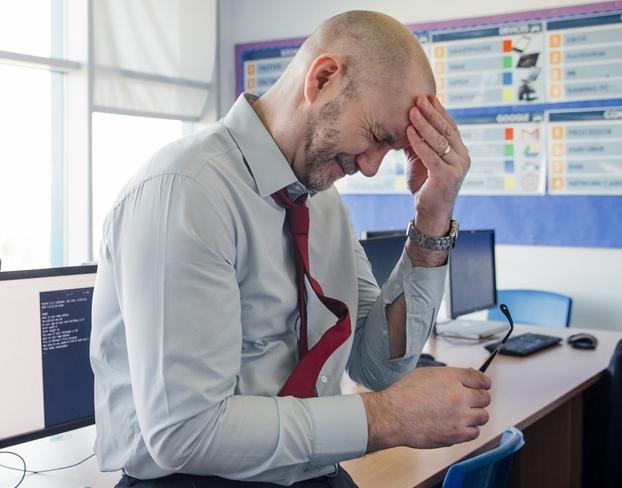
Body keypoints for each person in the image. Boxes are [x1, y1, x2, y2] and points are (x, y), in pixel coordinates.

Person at [90, 10, 492, 488]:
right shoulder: (187, 190)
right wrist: (385, 418)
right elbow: (184, 432)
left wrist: (432, 219)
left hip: (310, 473)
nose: (369, 168)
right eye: (374, 137)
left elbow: (378, 365)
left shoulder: (323, 204)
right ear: (322, 78)